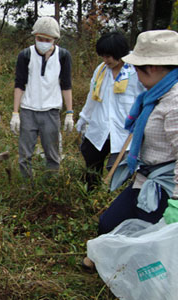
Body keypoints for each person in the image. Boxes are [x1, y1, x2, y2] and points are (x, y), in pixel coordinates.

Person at [83, 30, 178, 270]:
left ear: (154, 67)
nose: (134, 72)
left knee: (151, 240)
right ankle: (113, 264)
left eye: (138, 68)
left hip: (167, 186)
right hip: (145, 179)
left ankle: (141, 277)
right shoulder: (155, 94)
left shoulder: (174, 103)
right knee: (109, 223)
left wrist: (175, 204)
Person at [76, 32, 145, 192]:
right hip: (99, 129)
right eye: (103, 56)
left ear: (120, 54)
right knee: (92, 165)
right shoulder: (101, 71)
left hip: (123, 132)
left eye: (109, 57)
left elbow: (146, 99)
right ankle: (91, 198)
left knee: (119, 172)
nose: (105, 60)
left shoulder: (136, 72)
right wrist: (83, 118)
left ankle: (112, 201)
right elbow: (91, 96)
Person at [10, 16, 73, 178]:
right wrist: (15, 113)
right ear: (34, 37)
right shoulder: (26, 55)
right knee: (25, 155)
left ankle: (50, 187)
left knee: (52, 155)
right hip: (28, 110)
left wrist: (69, 113)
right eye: (39, 38)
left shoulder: (63, 56)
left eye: (47, 39)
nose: (43, 42)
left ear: (54, 40)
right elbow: (19, 84)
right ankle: (27, 187)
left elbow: (66, 85)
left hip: (51, 111)